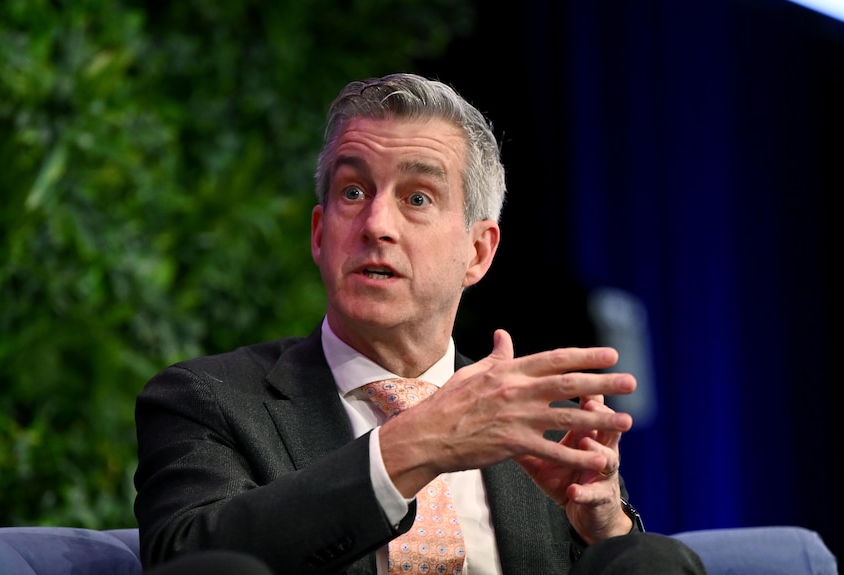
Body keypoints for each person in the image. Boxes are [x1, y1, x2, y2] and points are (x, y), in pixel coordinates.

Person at [133, 72, 706, 575]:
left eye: (417, 198)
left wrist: (601, 527)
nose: (376, 223)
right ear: (319, 234)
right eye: (352, 192)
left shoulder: (538, 427)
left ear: (478, 253)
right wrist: (410, 447)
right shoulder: (208, 401)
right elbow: (189, 560)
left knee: (654, 559)